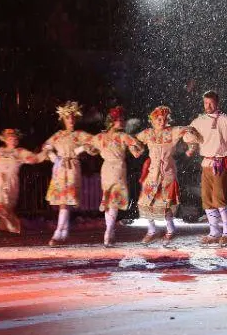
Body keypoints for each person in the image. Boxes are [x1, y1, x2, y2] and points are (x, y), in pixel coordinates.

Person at [186, 91, 227, 246]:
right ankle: (214, 232)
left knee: (219, 197)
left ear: (217, 103)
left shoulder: (225, 120)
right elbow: (187, 137)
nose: (208, 106)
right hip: (206, 163)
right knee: (207, 198)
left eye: (211, 103)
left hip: (221, 162)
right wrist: (190, 136)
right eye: (206, 103)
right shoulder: (198, 121)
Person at [133, 106, 201, 244]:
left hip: (167, 173)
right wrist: (136, 150)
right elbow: (134, 140)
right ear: (152, 120)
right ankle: (152, 231)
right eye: (158, 119)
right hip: (152, 173)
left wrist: (191, 148)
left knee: (166, 204)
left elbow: (188, 130)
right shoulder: (148, 133)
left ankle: (170, 230)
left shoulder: (172, 131)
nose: (162, 121)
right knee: (146, 202)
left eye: (164, 119)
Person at [38, 101, 94, 246]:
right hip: (60, 168)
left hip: (72, 168)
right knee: (63, 201)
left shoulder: (79, 134)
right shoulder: (58, 135)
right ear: (63, 119)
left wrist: (80, 149)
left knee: (65, 201)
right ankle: (63, 231)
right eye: (68, 118)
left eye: (72, 118)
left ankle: (58, 232)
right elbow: (46, 146)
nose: (70, 121)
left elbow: (93, 142)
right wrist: (53, 157)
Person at [0, 129, 43, 247]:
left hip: (11, 183)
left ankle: (15, 225)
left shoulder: (20, 152)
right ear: (5, 139)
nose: (12, 139)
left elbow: (34, 159)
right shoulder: (0, 151)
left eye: (14, 137)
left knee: (4, 209)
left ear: (17, 140)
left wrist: (45, 153)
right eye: (9, 137)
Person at [88, 106, 142, 246]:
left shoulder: (101, 136)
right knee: (114, 201)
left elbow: (90, 149)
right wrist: (139, 145)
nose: (123, 122)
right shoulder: (123, 136)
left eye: (123, 119)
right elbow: (138, 150)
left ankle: (110, 233)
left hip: (106, 169)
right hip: (117, 168)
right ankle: (108, 232)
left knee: (109, 200)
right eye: (120, 120)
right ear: (112, 121)